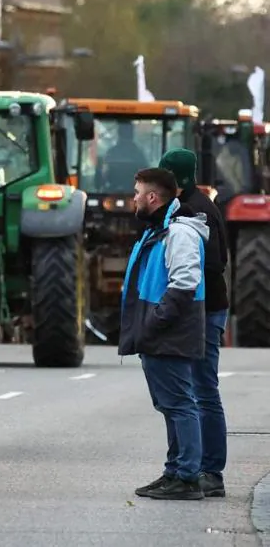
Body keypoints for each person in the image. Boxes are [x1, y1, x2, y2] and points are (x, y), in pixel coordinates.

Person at [122, 167, 209, 501]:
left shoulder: (179, 233)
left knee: (181, 405)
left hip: (169, 331)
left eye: (137, 193)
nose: (133, 199)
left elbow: (185, 283)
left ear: (152, 197)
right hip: (159, 331)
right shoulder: (158, 231)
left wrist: (155, 321)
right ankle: (174, 470)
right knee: (171, 405)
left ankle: (187, 477)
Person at [159, 147, 229, 498]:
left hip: (206, 310)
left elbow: (213, 264)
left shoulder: (197, 210)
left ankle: (211, 471)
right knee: (195, 390)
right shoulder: (192, 205)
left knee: (203, 390)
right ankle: (190, 466)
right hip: (202, 309)